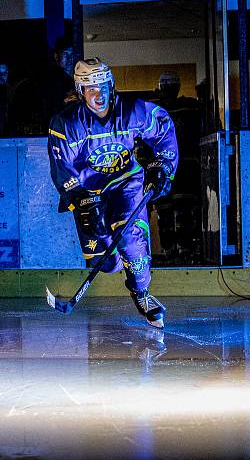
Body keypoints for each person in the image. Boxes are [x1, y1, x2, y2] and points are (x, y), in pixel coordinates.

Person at [47, 58, 179, 328]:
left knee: (132, 240)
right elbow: (62, 169)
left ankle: (142, 294)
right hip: (89, 193)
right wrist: (81, 200)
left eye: (104, 86)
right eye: (92, 88)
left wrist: (163, 165)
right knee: (107, 263)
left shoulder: (133, 112)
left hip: (125, 184)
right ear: (80, 91)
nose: (100, 94)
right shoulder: (66, 124)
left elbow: (163, 127)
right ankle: (118, 258)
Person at [153, 71, 204, 263]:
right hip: (170, 169)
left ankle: (182, 251)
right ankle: (174, 252)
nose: (167, 90)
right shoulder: (186, 107)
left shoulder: (188, 107)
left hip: (183, 168)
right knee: (167, 212)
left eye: (168, 86)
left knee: (182, 213)